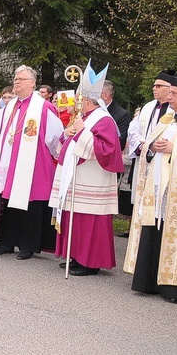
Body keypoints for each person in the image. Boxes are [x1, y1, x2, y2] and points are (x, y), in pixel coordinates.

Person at [49, 62, 124, 276]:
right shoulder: (85, 118)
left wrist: (81, 133)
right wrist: (69, 133)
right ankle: (75, 256)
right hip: (77, 176)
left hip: (93, 179)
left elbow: (106, 150)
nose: (76, 104)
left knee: (89, 221)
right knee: (75, 217)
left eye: (79, 100)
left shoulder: (104, 120)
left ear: (87, 101)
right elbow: (70, 143)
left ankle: (90, 262)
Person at [125, 69, 177, 303]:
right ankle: (149, 281)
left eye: (174, 93)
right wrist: (152, 147)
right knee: (156, 230)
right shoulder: (166, 119)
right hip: (158, 189)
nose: (169, 97)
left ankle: (176, 288)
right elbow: (147, 146)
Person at [0, 65, 63, 259]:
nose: (16, 82)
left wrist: (55, 154)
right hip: (9, 163)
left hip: (33, 165)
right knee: (7, 201)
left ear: (32, 83)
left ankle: (28, 245)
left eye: (21, 79)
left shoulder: (44, 107)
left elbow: (55, 137)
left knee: (30, 204)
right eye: (15, 79)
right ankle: (6, 242)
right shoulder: (10, 106)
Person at [124, 70, 172, 216]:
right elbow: (133, 130)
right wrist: (145, 145)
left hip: (165, 162)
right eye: (154, 85)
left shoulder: (176, 109)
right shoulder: (148, 107)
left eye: (158, 86)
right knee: (142, 207)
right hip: (146, 158)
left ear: (170, 88)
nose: (154, 88)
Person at [101, 80, 132, 151]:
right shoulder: (92, 111)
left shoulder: (122, 115)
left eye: (96, 94)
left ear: (105, 96)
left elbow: (120, 142)